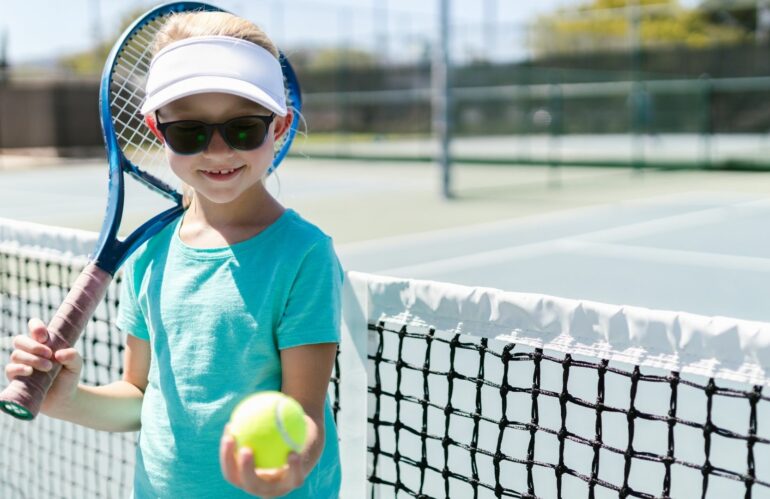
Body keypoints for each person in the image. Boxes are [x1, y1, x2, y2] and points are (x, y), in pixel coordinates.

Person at [4, 11, 342, 499]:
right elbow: (139, 397)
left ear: (281, 125)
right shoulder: (150, 255)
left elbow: (305, 411)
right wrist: (66, 398)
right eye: (190, 132)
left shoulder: (304, 254)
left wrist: (293, 465)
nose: (219, 151)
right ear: (157, 130)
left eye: (244, 128)